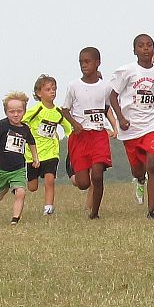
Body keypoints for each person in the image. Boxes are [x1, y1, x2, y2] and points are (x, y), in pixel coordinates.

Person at [108, 34, 154, 218]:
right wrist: (121, 119)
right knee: (138, 169)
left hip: (153, 124)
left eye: (149, 45)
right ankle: (139, 180)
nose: (145, 49)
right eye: (141, 46)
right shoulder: (127, 71)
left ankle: (151, 210)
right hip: (131, 127)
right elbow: (112, 96)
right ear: (134, 50)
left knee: (153, 163)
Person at [61, 47, 117, 219]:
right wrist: (74, 123)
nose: (84, 65)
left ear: (97, 63)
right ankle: (78, 174)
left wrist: (117, 123)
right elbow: (64, 110)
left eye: (87, 62)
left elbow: (109, 106)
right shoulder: (74, 86)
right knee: (84, 183)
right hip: (80, 136)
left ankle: (95, 213)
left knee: (98, 175)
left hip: (98, 134)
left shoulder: (105, 87)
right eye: (81, 62)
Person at [24, 75, 71, 216]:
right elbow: (22, 123)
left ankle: (48, 208)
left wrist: (73, 137)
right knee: (32, 187)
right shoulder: (36, 110)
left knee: (50, 179)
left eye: (54, 89)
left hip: (51, 152)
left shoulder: (58, 112)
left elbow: (68, 128)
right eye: (48, 89)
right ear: (39, 93)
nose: (52, 92)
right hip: (33, 154)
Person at [0, 92, 37, 224]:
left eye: (19, 111)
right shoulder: (1, 126)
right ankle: (5, 187)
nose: (15, 114)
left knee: (21, 192)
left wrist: (35, 159)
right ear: (6, 112)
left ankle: (15, 219)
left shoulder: (25, 129)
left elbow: (31, 143)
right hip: (2, 168)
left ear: (24, 111)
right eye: (12, 111)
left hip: (18, 168)